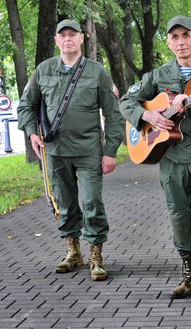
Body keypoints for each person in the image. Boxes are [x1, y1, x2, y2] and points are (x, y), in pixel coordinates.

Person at [119, 15, 191, 314]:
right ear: (169, 43)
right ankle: (190, 274)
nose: (181, 41)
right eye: (175, 37)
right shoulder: (157, 75)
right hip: (170, 155)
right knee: (178, 215)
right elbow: (126, 101)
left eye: (186, 35)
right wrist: (147, 116)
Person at [17, 19, 123, 281]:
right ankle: (73, 252)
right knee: (64, 203)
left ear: (81, 39)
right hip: (55, 152)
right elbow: (25, 106)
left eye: (72, 35)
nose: (67, 39)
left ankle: (96, 256)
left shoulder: (97, 72)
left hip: (88, 151)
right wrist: (32, 132)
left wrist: (110, 151)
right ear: (56, 40)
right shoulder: (43, 70)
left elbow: (113, 115)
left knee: (92, 203)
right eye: (62, 35)